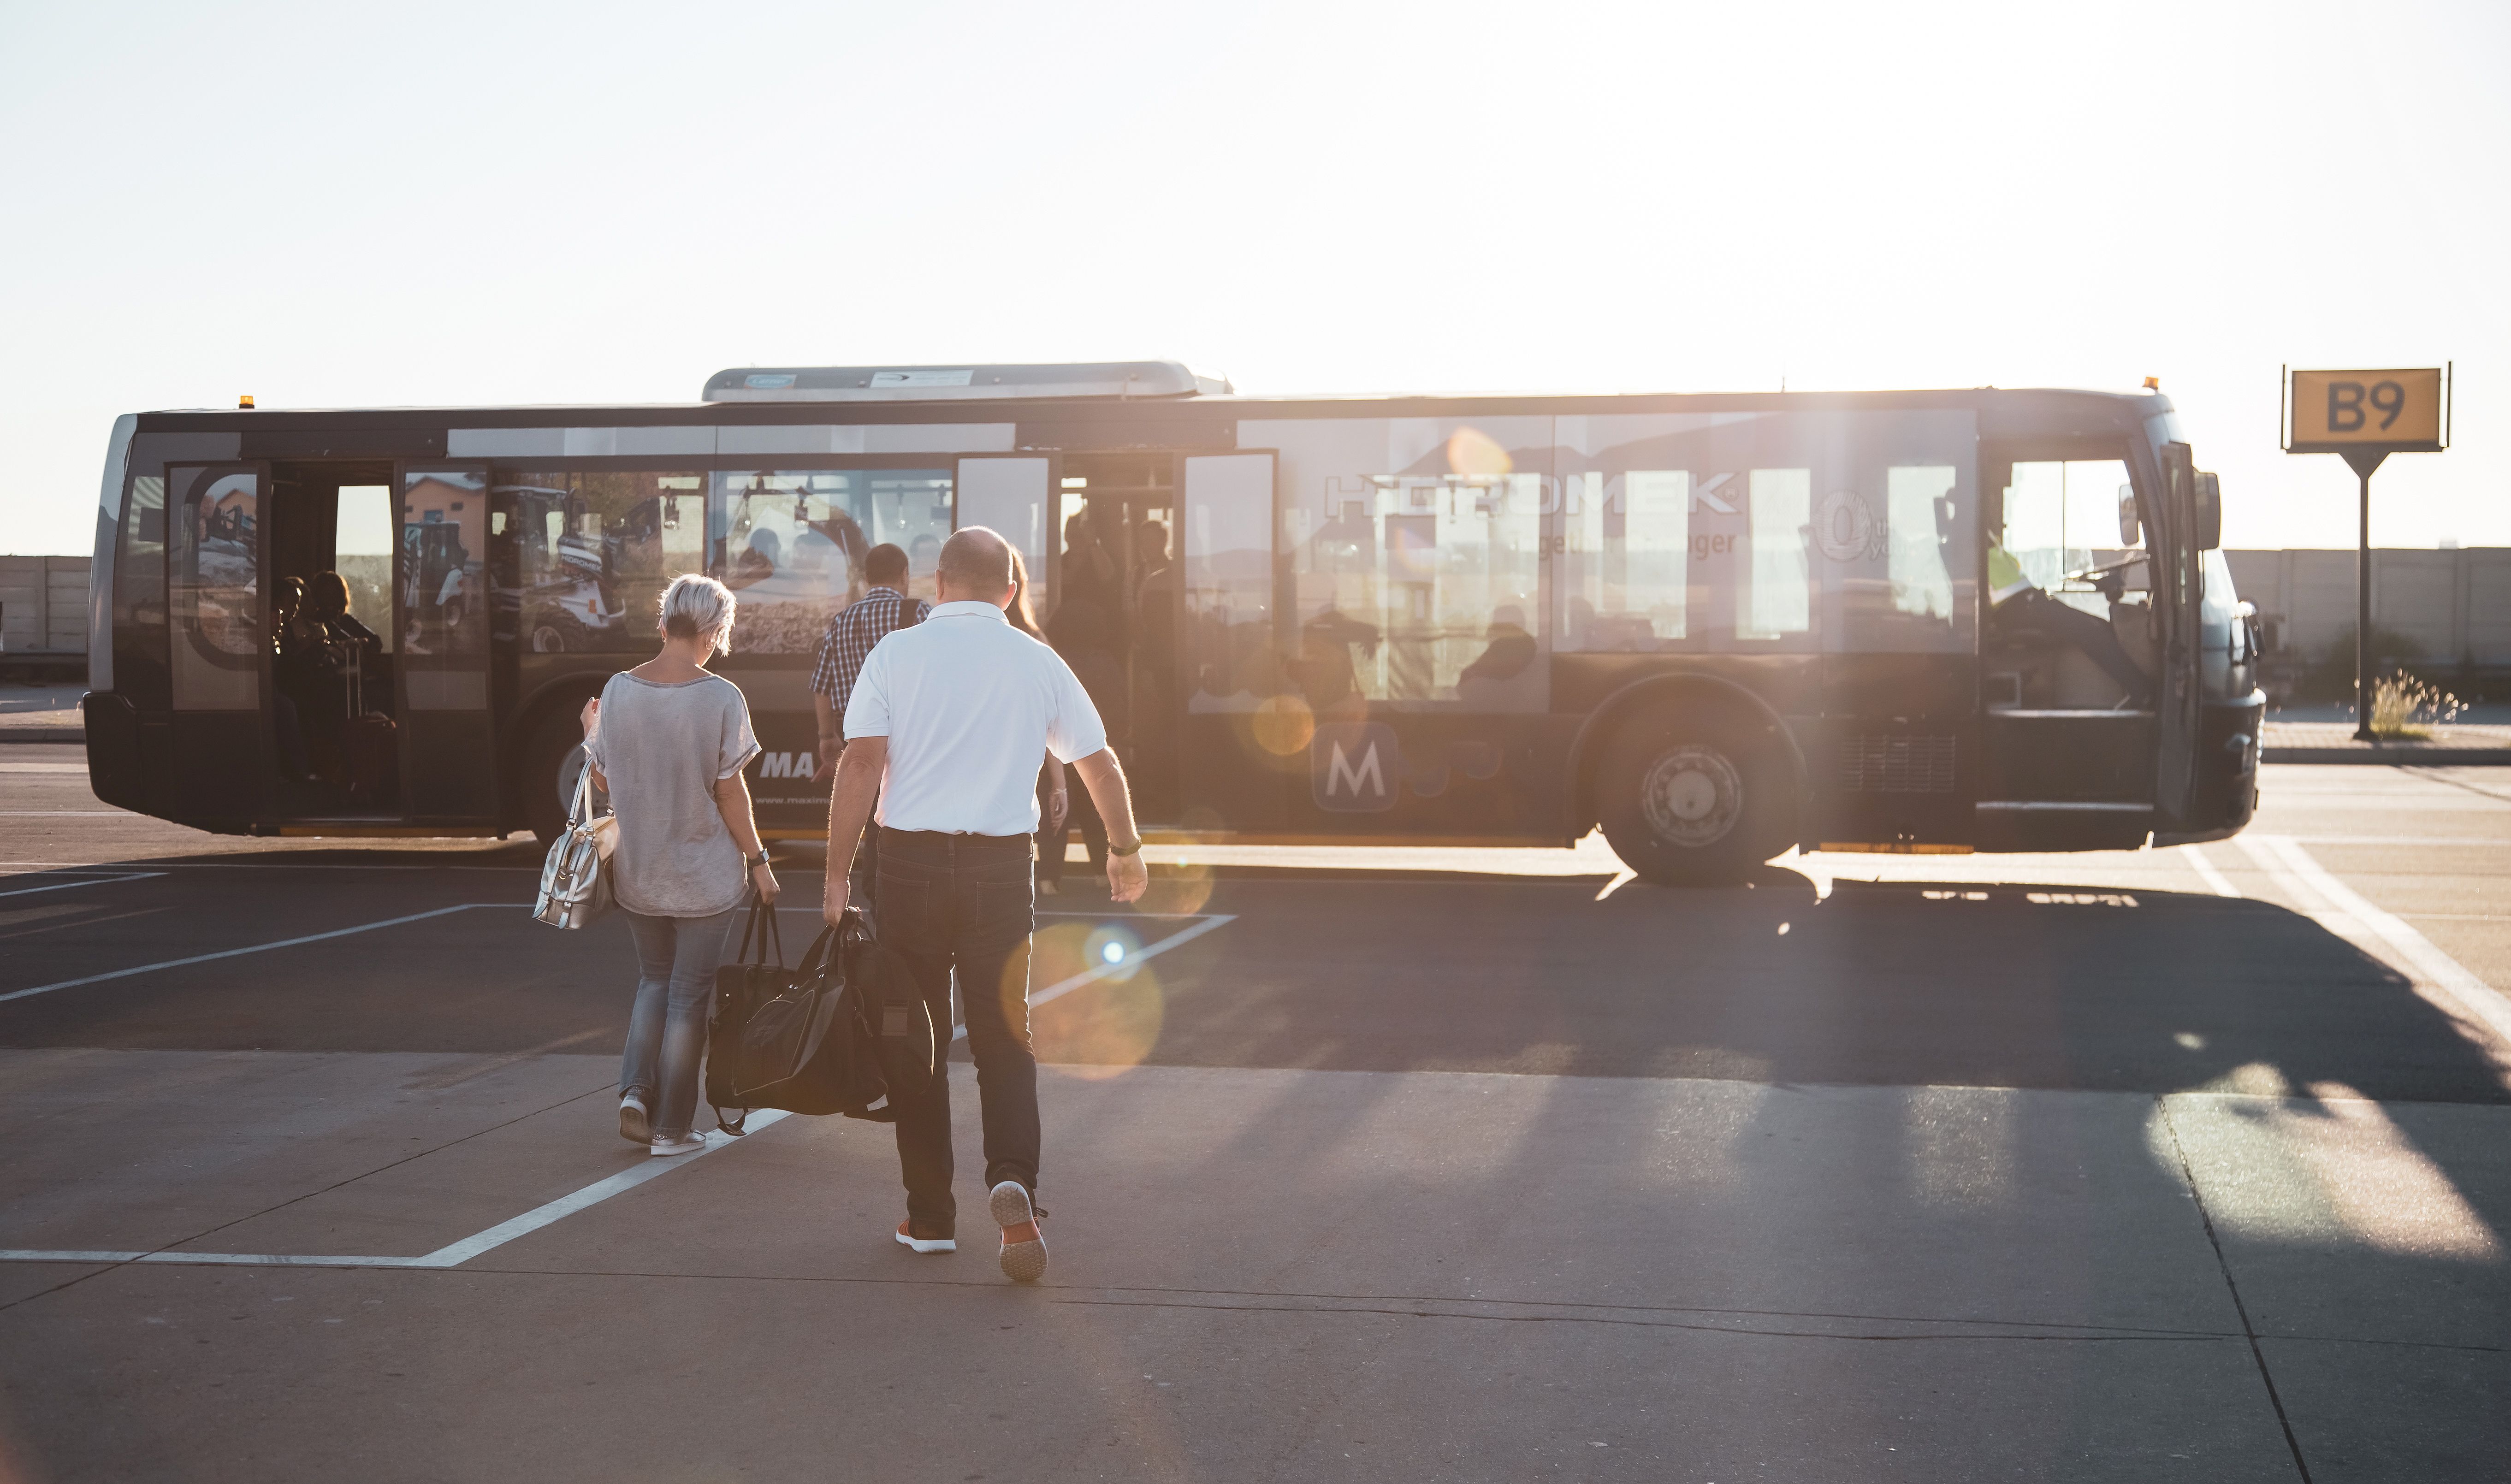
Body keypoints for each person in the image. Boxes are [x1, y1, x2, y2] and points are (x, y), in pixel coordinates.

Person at [823, 526, 1149, 1282]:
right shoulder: (1037, 660)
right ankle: (1015, 1186)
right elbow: (1097, 761)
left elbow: (861, 762)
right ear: (1009, 589)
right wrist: (1125, 848)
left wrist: (837, 874)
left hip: (904, 868)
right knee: (1005, 1033)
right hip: (1000, 869)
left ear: (938, 583)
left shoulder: (895, 654)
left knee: (914, 1034)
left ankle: (930, 1215)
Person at [581, 574, 779, 1158]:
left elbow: (604, 779)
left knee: (654, 981)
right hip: (705, 877)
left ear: (663, 623)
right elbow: (730, 795)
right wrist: (760, 862)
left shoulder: (617, 691)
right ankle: (672, 1128)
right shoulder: (721, 697)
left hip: (640, 871)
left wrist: (589, 732)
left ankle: (635, 1094)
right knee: (690, 996)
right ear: (716, 631)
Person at [808, 543, 932, 908]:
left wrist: (827, 737)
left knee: (870, 820)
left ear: (866, 578)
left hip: (860, 739)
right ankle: (901, 903)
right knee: (903, 823)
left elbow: (821, 687)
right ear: (905, 575)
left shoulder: (842, 620)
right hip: (910, 742)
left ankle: (875, 898)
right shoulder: (919, 613)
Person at [1984, 541, 2153, 707]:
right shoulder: (1972, 535)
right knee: (2091, 630)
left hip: (2028, 602)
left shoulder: (1985, 534)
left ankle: (2137, 690)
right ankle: (2143, 692)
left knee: (2098, 626)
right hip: (2016, 609)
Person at [1004, 552, 1072, 893]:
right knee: (1046, 801)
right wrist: (1059, 782)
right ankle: (1046, 879)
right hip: (1031, 751)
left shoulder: (962, 641)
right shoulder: (1034, 640)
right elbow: (1051, 716)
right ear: (1018, 587)